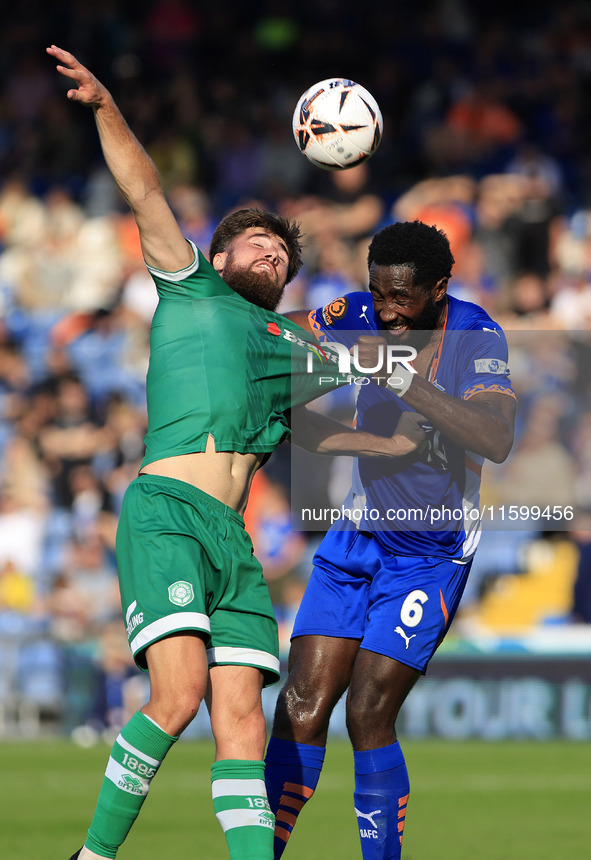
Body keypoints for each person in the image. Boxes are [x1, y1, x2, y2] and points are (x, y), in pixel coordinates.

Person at [46, 46, 427, 860]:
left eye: (282, 254)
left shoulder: (292, 347)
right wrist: (107, 106)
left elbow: (386, 351)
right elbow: (143, 189)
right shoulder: (190, 288)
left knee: (247, 725)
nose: (272, 256)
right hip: (168, 514)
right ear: (217, 258)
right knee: (176, 699)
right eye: (256, 244)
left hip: (233, 541)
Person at [264, 219, 517, 860]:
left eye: (401, 299)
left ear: (439, 288)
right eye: (378, 296)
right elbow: (284, 331)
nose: (387, 312)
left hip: (430, 552)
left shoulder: (475, 335)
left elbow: (495, 437)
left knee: (368, 713)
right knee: (298, 706)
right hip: (356, 536)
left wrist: (400, 378)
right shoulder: (360, 314)